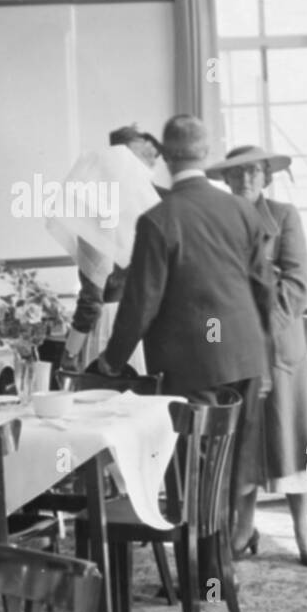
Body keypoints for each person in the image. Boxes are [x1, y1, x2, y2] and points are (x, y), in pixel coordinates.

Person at [93, 115, 273, 560]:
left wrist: (111, 363)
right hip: (247, 357)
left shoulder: (158, 220)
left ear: (167, 159)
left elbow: (141, 305)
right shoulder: (243, 211)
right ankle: (220, 565)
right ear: (206, 153)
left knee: (196, 469)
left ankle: (207, 574)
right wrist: (262, 350)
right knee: (234, 464)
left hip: (192, 365)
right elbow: (264, 288)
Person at [208, 145, 307, 566]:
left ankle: (302, 526)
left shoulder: (285, 215)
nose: (245, 180)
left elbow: (298, 284)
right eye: (237, 173)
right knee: (246, 441)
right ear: (224, 180)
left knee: (289, 435)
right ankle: (244, 525)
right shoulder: (215, 221)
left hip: (279, 346)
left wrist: (260, 322)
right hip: (235, 348)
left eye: (254, 172)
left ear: (266, 177)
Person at [60, 124, 166, 374]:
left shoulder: (96, 221)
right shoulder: (150, 212)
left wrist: (70, 351)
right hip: (142, 327)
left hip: (108, 329)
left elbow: (91, 301)